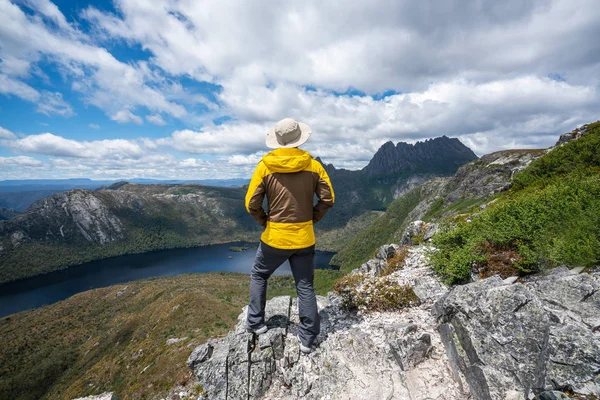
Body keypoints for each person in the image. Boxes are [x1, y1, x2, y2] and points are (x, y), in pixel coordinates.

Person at [245, 117, 335, 354]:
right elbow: (328, 199)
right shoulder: (313, 165)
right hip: (304, 237)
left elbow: (251, 203)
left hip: (274, 238)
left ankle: (255, 323)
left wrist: (264, 220)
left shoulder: (265, 166)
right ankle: (307, 339)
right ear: (299, 138)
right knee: (305, 286)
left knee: (259, 274)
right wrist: (313, 218)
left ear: (277, 140)